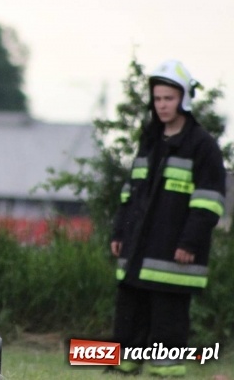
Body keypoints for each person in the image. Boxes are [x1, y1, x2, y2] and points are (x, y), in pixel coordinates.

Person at [109, 59, 226, 377]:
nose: (162, 105)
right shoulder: (150, 141)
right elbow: (130, 194)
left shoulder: (202, 146)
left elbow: (210, 201)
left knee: (168, 315)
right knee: (129, 309)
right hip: (138, 248)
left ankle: (167, 370)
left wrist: (190, 242)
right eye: (158, 98)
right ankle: (124, 366)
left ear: (184, 99)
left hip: (176, 251)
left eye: (169, 98)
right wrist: (119, 233)